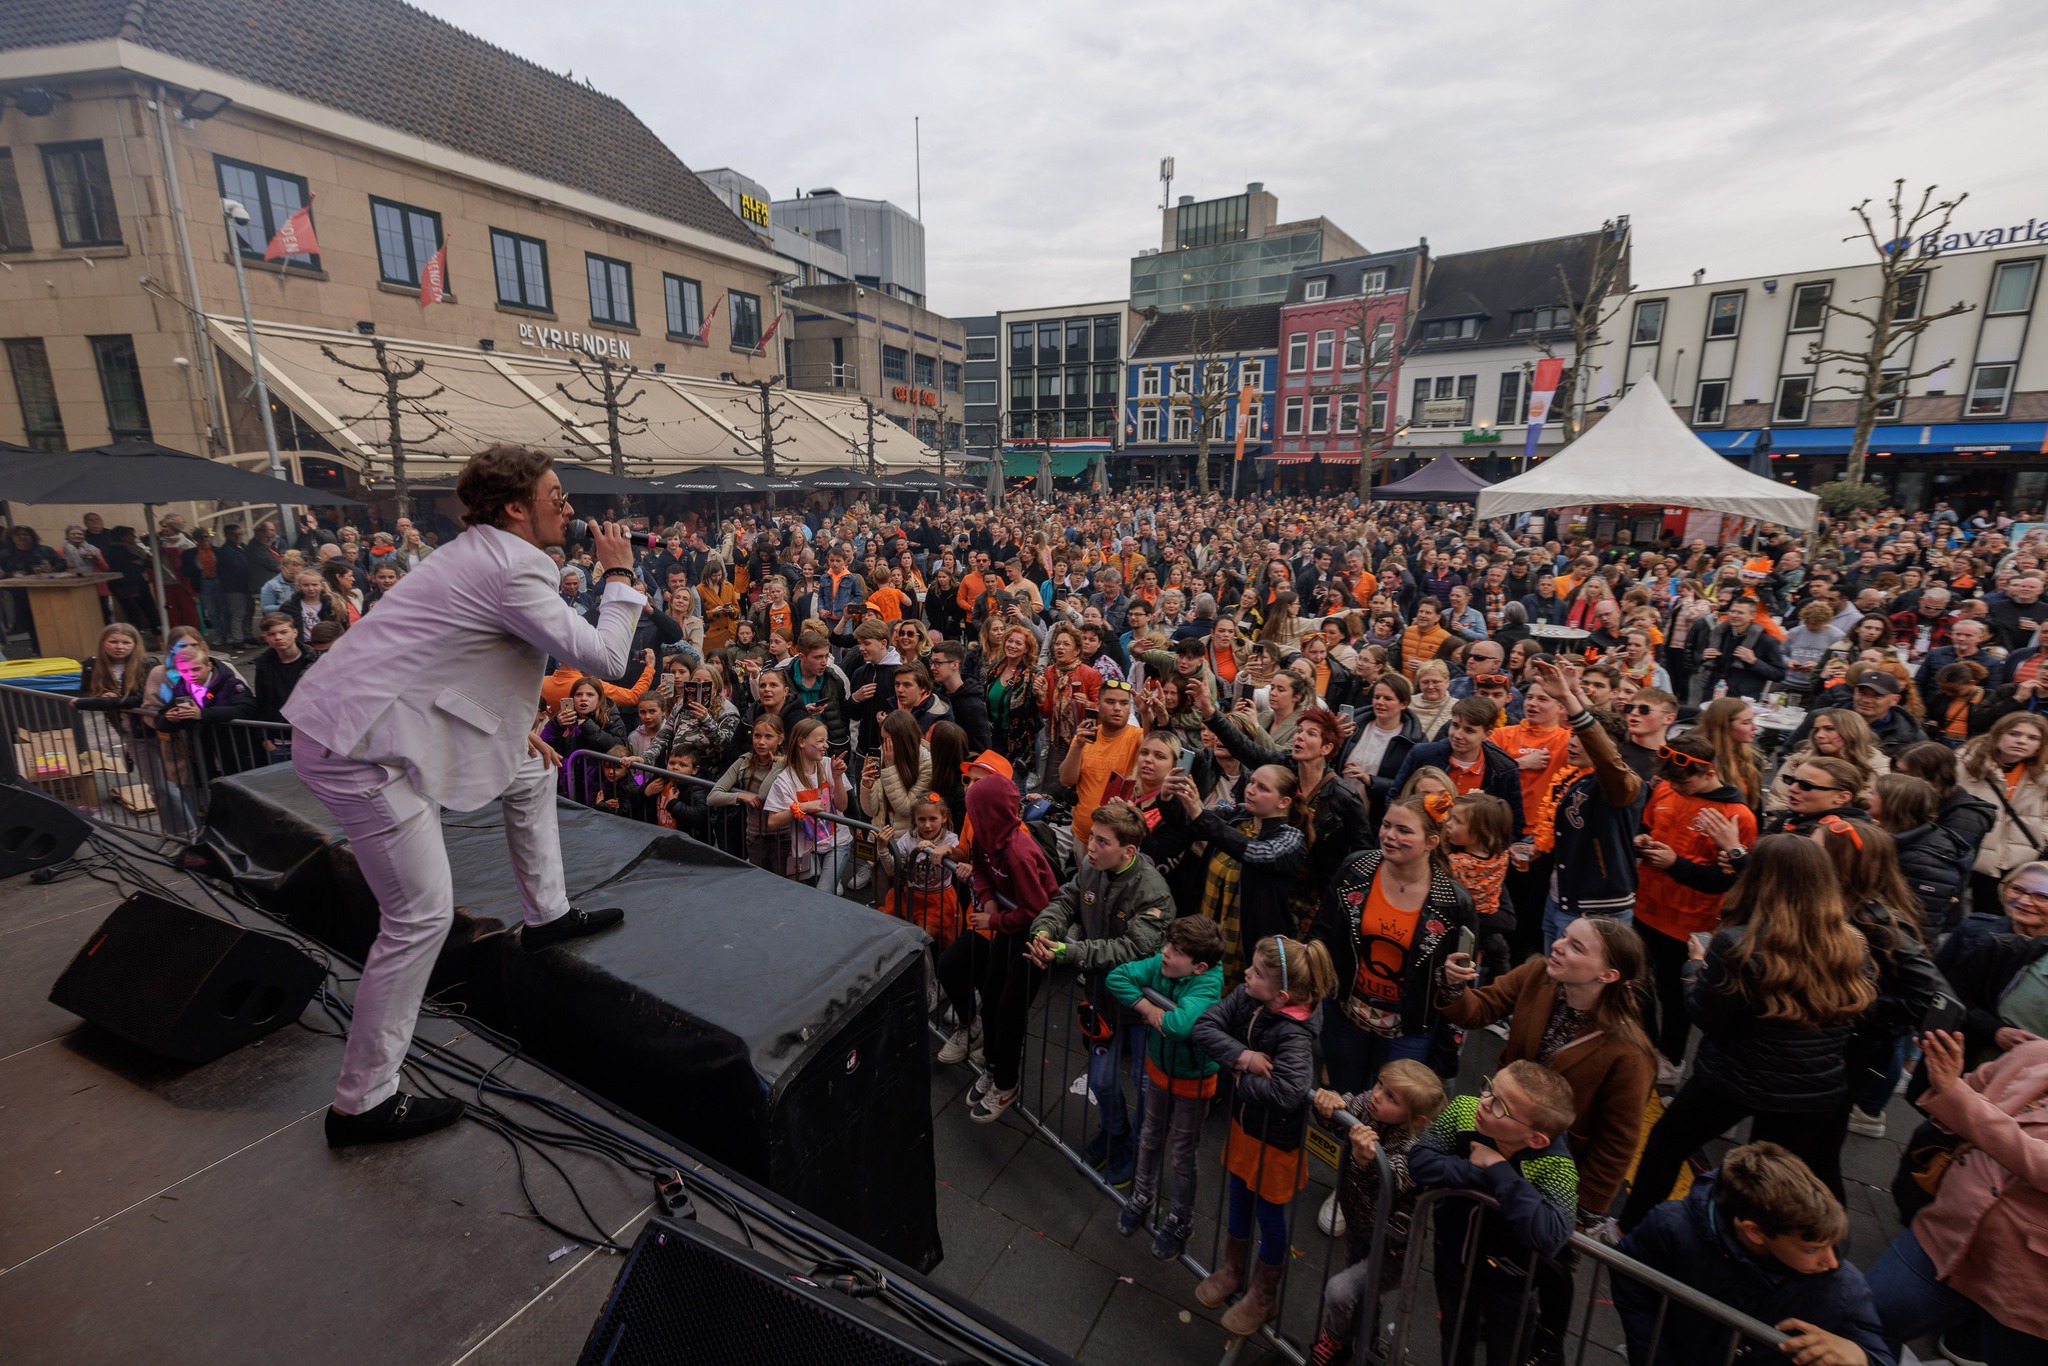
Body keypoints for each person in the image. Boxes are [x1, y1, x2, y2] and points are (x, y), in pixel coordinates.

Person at [284, 446, 638, 1147]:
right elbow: (607, 659)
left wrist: (509, 737)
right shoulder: (511, 566)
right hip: (358, 750)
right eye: (557, 495)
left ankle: (547, 915)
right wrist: (619, 574)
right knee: (419, 917)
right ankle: (361, 1103)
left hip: (375, 722)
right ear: (515, 508)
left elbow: (463, 659)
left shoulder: (478, 552)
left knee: (531, 771)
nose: (569, 508)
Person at [1620, 835, 1877, 1228]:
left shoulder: (1739, 943)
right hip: (1811, 1086)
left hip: (1735, 1076)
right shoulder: (1852, 943)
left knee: (1667, 1144)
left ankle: (1629, 1228)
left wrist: (1695, 970)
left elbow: (1707, 1017)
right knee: (1767, 1181)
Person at [1441, 917, 1659, 1230]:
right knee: (1461, 1225)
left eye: (1576, 947)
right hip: (1496, 1135)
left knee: (1511, 1251)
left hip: (1549, 1168)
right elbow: (1481, 1009)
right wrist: (1453, 986)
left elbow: (1617, 1141)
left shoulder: (1630, 1054)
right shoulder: (1536, 975)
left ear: (1608, 974)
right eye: (1564, 936)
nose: (1557, 945)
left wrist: (1584, 1208)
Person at [1617, 1142, 1894, 1366]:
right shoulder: (1671, 1228)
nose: (1831, 1262)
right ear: (1755, 1232)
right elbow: (1631, 1281)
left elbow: (1879, 1356)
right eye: (1811, 1249)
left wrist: (1861, 1358)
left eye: (1832, 1243)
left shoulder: (1842, 1286)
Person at [1864, 1032, 2048, 1366]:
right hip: (1945, 1234)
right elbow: (1959, 1097)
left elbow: (2040, 1164)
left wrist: (1958, 1098)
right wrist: (1942, 1070)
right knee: (1863, 1325)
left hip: (2030, 1285)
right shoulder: (2035, 1054)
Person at [1191, 934, 1337, 1337]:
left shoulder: (1295, 1034)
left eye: (1256, 973)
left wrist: (1238, 1081)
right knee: (1238, 1197)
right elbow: (1205, 1025)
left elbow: (1289, 1092)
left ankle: (1263, 1295)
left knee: (1269, 1216)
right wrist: (1244, 1057)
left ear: (1282, 993)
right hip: (1245, 1127)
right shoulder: (1250, 996)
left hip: (1276, 1143)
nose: (1246, 975)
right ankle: (1233, 1270)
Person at [1025, 800, 1172, 1183]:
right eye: (1091, 837)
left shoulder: (1153, 893)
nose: (1091, 846)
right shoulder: (1092, 867)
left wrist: (1070, 952)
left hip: (1143, 1007)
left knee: (1147, 1091)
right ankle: (1114, 1132)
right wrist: (1044, 931)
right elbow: (1065, 902)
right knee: (1102, 1079)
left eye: (1102, 841)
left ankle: (1139, 1154)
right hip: (1103, 999)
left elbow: (1133, 949)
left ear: (1129, 851)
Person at [1407, 1061, 1581, 1366]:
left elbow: (1551, 1235)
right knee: (1454, 1336)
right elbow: (1420, 1161)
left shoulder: (1557, 1166)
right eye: (1490, 1087)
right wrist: (1480, 1171)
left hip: (1512, 1280)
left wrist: (1498, 1168)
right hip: (1452, 1256)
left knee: (1506, 1352)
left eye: (1500, 1106)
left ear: (1536, 1139)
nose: (1484, 1103)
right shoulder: (1464, 1109)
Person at [1315, 794, 1476, 1091]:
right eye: (1386, 825)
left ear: (1431, 842)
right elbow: (1322, 933)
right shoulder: (1355, 870)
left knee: (1389, 1118)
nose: (1389, 835)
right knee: (1344, 1099)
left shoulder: (1453, 903)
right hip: (1346, 1018)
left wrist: (1444, 1058)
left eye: (1404, 830)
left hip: (1411, 1032)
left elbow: (1458, 990)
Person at [1303, 1061, 1447, 1366]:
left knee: (1341, 1292)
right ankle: (1365, 1349)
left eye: (1392, 1097)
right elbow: (1336, 1116)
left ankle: (1336, 1339)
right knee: (1365, 1299)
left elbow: (1392, 1183)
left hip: (1393, 1250)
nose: (1378, 1095)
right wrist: (1327, 1103)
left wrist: (1366, 1161)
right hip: (1359, 1226)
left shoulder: (1419, 1149)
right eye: (1380, 1083)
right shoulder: (1370, 1103)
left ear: (1417, 1119)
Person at [1631, 735, 1756, 1085]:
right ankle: (1645, 1045)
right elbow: (1645, 826)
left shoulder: (1737, 816)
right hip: (1644, 908)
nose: (1677, 788)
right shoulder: (1667, 790)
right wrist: (1641, 841)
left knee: (1675, 998)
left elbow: (1724, 880)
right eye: (1672, 782)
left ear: (1708, 772)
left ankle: (1671, 1060)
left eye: (1684, 781)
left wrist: (1673, 864)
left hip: (1687, 924)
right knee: (1637, 983)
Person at [1107, 914, 1229, 1262]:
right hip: (1159, 1070)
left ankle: (1180, 1219)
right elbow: (1119, 977)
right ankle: (1142, 1197)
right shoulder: (1165, 966)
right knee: (1149, 1137)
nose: (1164, 954)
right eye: (1167, 946)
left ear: (1200, 967)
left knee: (1181, 1154)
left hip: (1194, 1082)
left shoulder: (1208, 986)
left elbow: (1181, 1025)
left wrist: (1157, 1016)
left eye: (1175, 951)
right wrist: (1148, 1007)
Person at [961, 772, 1062, 1125]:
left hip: (1031, 937)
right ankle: (991, 1067)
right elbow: (979, 870)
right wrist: (989, 900)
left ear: (990, 813)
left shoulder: (1018, 852)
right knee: (990, 998)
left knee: (1009, 1010)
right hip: (1008, 923)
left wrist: (995, 921)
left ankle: (1006, 1083)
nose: (970, 818)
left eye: (974, 811)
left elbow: (1036, 910)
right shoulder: (985, 837)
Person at [1955, 711, 2048, 917]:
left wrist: (2042, 837)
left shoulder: (2044, 773)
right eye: (2014, 734)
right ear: (1998, 734)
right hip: (1971, 856)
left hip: (2017, 862)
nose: (2021, 741)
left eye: (2032, 738)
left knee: (1999, 920)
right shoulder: (1964, 764)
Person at [763, 716, 852, 888]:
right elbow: (772, 821)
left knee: (823, 892)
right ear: (802, 742)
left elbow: (842, 806)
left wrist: (837, 778)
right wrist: (801, 807)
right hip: (806, 850)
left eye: (826, 741)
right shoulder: (785, 779)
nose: (826, 746)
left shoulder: (828, 765)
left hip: (837, 842)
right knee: (811, 897)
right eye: (820, 741)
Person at [1059, 677, 1143, 857]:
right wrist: (1077, 746)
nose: (1117, 708)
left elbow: (1154, 744)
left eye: (1124, 703)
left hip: (1118, 844)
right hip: (1083, 837)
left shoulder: (1137, 737)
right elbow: (1066, 780)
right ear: (1097, 704)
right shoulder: (1085, 737)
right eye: (1110, 702)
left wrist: (1149, 715)